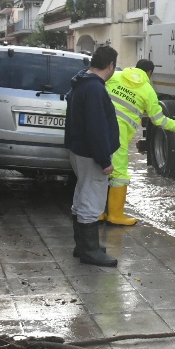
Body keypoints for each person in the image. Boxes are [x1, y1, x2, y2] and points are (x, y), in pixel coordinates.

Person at [102, 59, 175, 225]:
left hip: (98, 126)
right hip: (118, 135)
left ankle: (97, 212)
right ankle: (115, 215)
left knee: (98, 168)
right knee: (119, 173)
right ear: (150, 73)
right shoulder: (147, 90)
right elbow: (160, 121)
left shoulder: (116, 76)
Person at [64, 46, 120, 267]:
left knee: (82, 194)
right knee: (92, 199)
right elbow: (96, 127)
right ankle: (90, 251)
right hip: (91, 153)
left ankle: (83, 245)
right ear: (110, 66)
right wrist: (104, 160)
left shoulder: (81, 82)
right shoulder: (95, 89)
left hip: (79, 149)